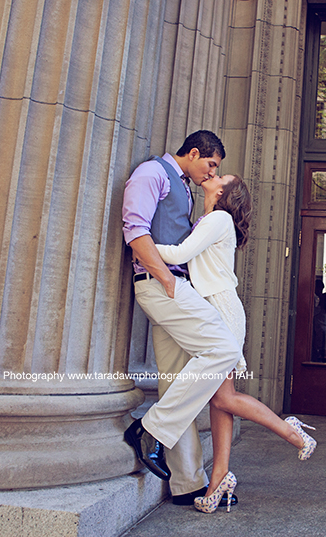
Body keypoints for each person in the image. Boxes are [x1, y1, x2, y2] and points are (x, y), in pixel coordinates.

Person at [154, 173, 317, 514]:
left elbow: (181, 253)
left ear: (225, 193)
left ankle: (291, 432)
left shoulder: (218, 218)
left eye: (220, 177)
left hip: (221, 310)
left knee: (222, 397)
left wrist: (140, 245)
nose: (212, 176)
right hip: (218, 308)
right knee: (220, 400)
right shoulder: (215, 220)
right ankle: (219, 480)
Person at [121, 130, 242, 507]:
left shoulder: (185, 188)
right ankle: (149, 430)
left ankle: (188, 482)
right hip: (164, 285)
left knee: (176, 381)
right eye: (211, 164)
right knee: (223, 349)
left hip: (172, 286)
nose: (211, 173)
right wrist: (166, 280)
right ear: (193, 152)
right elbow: (135, 228)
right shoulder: (152, 173)